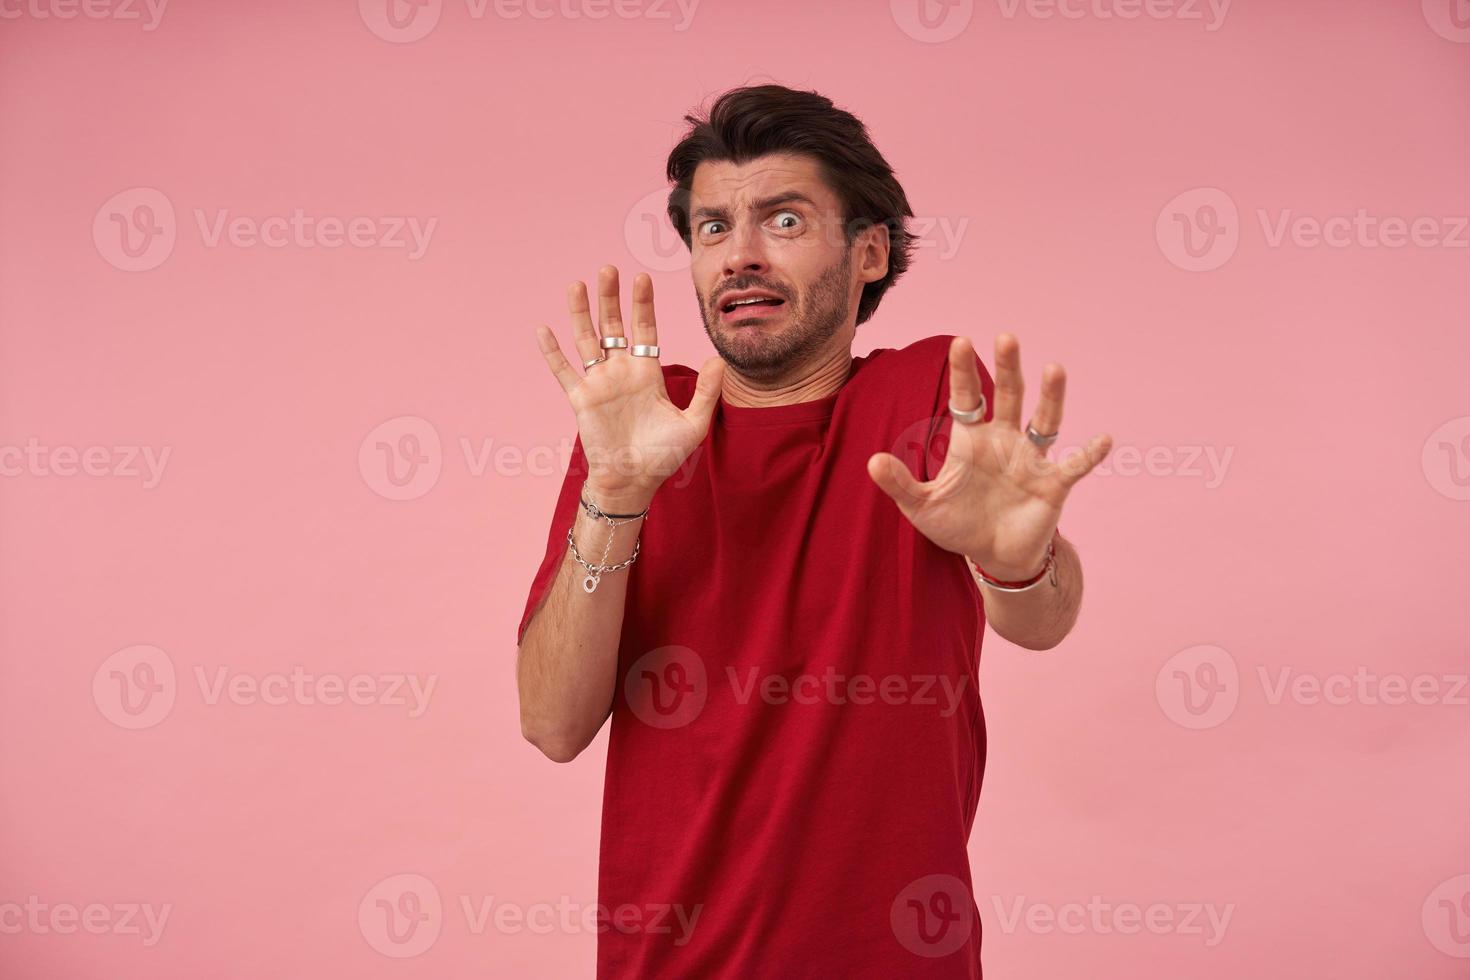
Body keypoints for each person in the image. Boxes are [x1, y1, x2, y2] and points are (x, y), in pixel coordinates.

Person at [516, 83, 1112, 979]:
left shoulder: (923, 395)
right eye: (713, 228)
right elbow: (552, 724)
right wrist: (619, 491)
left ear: (869, 251)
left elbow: (1041, 621)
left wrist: (1018, 556)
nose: (739, 257)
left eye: (783, 222)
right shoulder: (641, 425)